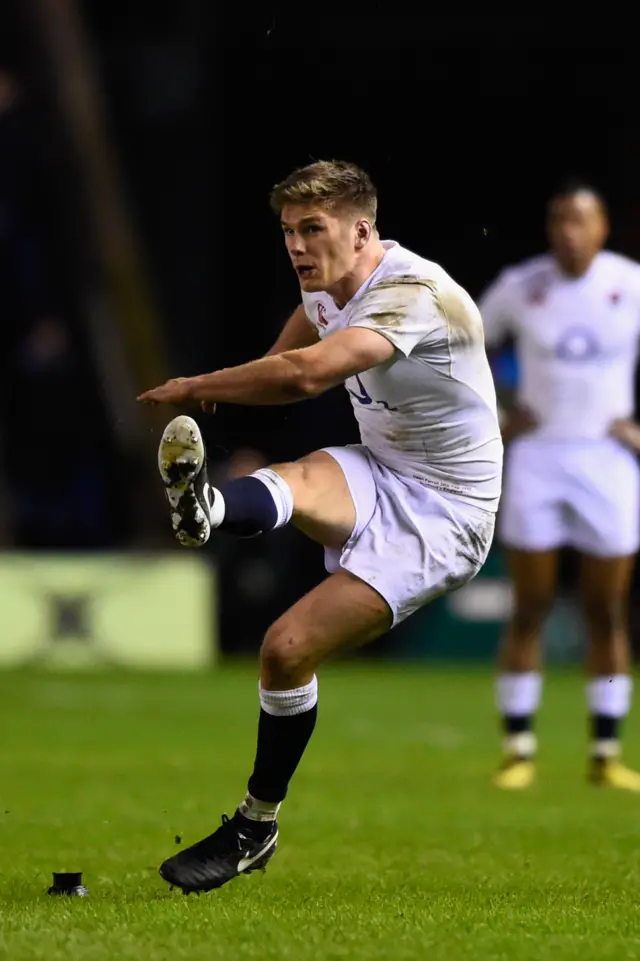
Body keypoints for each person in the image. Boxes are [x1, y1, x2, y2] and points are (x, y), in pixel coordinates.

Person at [137, 160, 503, 894]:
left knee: (285, 648)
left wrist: (198, 387)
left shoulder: (412, 294)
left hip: (448, 511)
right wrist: (251, 394)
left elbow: (308, 376)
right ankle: (209, 509)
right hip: (381, 465)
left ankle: (255, 824)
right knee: (293, 476)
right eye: (288, 232)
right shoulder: (325, 284)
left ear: (362, 230)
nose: (299, 247)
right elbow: (292, 355)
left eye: (313, 229)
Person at [479, 180, 640, 791]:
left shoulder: (630, 284)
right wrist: (500, 416)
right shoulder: (523, 287)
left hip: (607, 459)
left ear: (602, 228)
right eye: (558, 220)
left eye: (580, 220)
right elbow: (463, 344)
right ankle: (517, 748)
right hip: (540, 457)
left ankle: (605, 752)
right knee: (531, 605)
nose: (568, 232)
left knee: (606, 609)